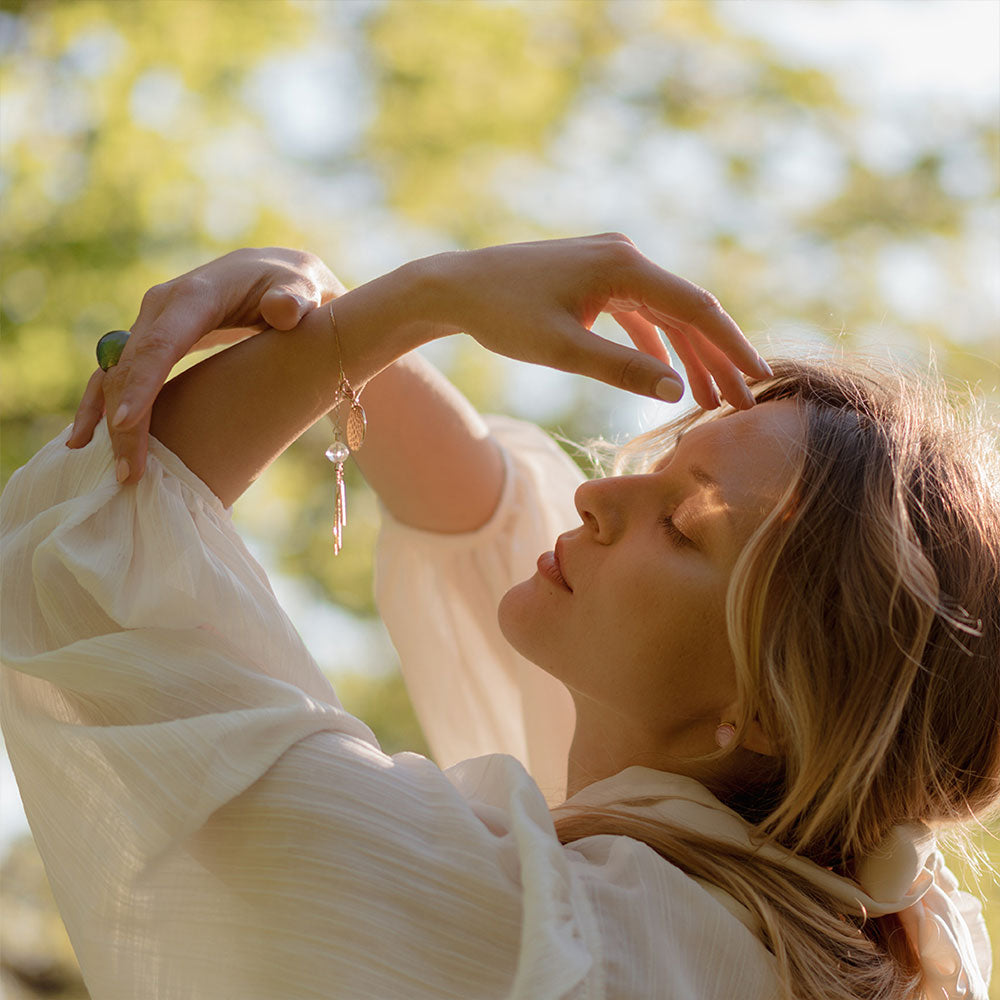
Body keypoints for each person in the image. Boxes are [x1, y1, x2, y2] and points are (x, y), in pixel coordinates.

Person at [0, 235, 995, 1000]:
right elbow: (477, 517)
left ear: (774, 702)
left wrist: (404, 309)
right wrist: (351, 310)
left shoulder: (557, 936)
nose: (594, 503)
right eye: (644, 473)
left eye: (684, 526)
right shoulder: (762, 914)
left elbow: (76, 573)